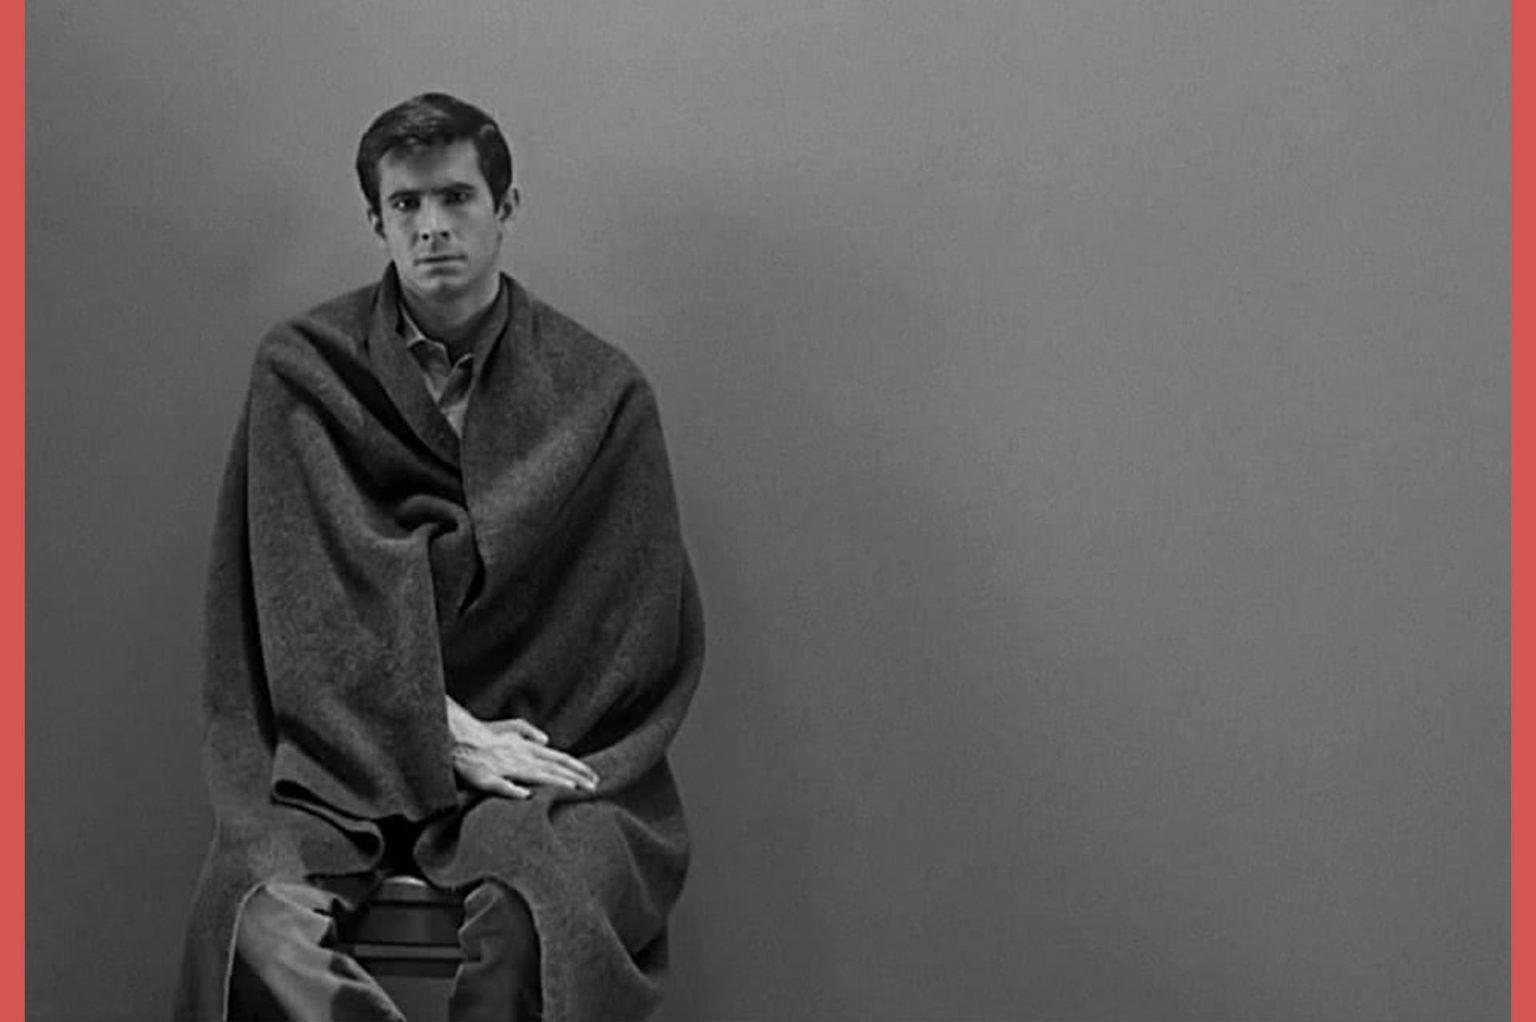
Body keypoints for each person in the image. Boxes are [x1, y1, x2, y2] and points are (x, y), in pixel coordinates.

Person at [174, 92, 706, 1022]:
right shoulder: (305, 374)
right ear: (376, 221)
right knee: (253, 921)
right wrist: (438, 731)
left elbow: (635, 626)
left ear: (505, 208)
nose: (432, 228)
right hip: (336, 760)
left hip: (538, 757)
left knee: (540, 926)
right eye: (407, 205)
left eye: (456, 198)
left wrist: (499, 743)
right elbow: (303, 608)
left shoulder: (602, 395)